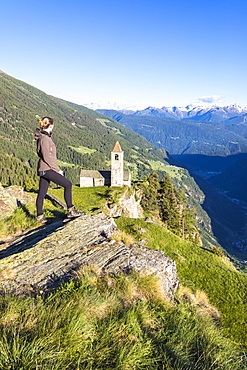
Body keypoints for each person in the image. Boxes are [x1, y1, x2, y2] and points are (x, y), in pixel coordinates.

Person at [35, 116, 85, 223]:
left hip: (44, 169)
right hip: (47, 169)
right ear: (51, 126)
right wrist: (57, 170)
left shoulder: (44, 137)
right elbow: (46, 157)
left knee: (42, 193)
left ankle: (39, 217)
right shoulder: (44, 139)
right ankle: (71, 210)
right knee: (68, 184)